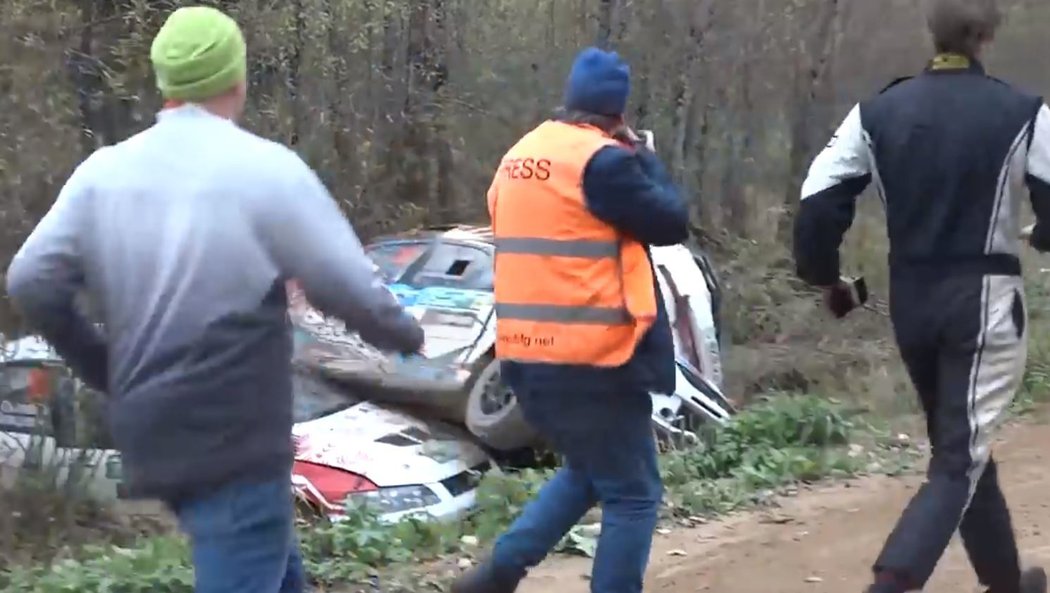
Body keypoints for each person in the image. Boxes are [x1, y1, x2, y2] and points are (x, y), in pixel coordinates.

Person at [5, 6, 423, 593]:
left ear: (164, 82)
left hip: (152, 425)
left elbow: (30, 279)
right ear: (237, 79)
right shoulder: (264, 169)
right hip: (230, 428)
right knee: (244, 538)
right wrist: (407, 336)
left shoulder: (103, 174)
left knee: (267, 557)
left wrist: (105, 365)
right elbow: (345, 284)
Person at [792, 0, 1050, 592]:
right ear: (986, 35)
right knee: (959, 456)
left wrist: (825, 276)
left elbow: (817, 200)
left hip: (912, 302)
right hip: (983, 301)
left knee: (960, 441)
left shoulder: (875, 114)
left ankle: (1006, 583)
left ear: (929, 33)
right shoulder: (1023, 113)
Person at [452, 47, 689, 593]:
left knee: (588, 472)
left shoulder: (520, 154)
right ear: (618, 114)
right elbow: (672, 221)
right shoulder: (604, 163)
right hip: (593, 360)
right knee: (633, 493)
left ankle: (493, 577)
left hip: (523, 355)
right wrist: (646, 157)